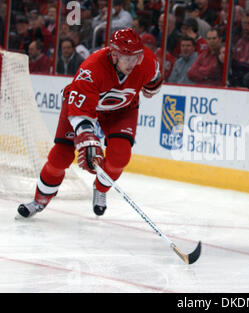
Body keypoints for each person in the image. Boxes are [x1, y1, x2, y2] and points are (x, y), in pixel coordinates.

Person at [17, 28, 162, 218]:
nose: (133, 63)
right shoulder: (92, 68)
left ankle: (101, 188)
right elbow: (80, 113)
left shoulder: (146, 62)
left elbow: (155, 80)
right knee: (60, 157)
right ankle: (39, 201)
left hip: (122, 109)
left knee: (120, 157)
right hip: (80, 108)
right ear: (114, 54)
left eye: (136, 57)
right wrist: (87, 137)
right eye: (127, 58)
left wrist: (152, 88)